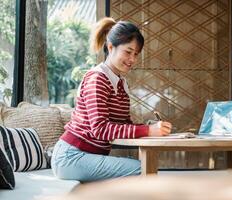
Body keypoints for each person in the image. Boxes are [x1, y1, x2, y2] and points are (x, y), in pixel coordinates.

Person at [51, 17, 172, 182]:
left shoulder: (120, 82)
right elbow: (100, 129)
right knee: (142, 169)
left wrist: (149, 128)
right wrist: (147, 131)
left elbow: (121, 125)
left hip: (85, 156)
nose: (132, 59)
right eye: (128, 52)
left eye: (136, 54)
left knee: (144, 166)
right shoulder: (97, 79)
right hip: (71, 156)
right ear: (110, 47)